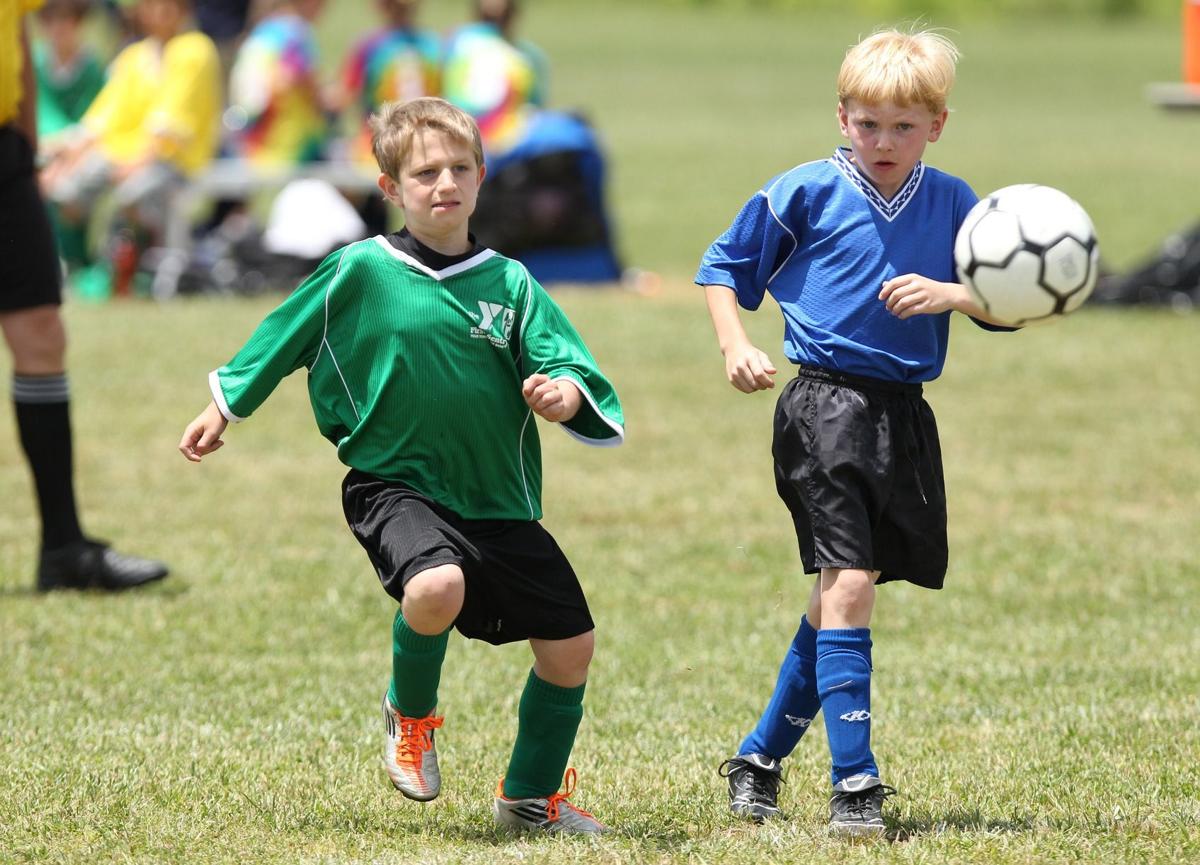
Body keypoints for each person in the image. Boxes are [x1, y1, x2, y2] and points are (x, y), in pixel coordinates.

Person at [178, 96, 624, 834]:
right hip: (394, 483)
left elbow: (568, 365)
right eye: (424, 173)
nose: (444, 183)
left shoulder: (510, 283)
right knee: (436, 585)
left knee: (571, 644)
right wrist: (225, 405)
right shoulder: (360, 269)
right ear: (390, 189)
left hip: (496, 498)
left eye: (459, 169)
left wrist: (563, 394)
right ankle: (410, 715)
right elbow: (282, 334)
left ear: (482, 177)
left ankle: (529, 798)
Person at [696, 28, 1014, 837]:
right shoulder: (803, 191)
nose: (883, 141)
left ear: (936, 125)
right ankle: (855, 785)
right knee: (851, 586)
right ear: (843, 117)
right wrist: (736, 344)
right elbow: (723, 268)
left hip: (903, 412)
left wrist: (954, 293)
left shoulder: (953, 200)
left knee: (839, 594)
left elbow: (1006, 300)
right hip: (823, 407)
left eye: (903, 126)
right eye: (868, 123)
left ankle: (760, 759)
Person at [2, 0, 167, 590]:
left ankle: (63, 549)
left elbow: (14, 26)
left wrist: (22, 143)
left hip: (6, 156)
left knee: (42, 334)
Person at [39, 0, 222, 291]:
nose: (157, 11)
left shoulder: (195, 50)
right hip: (123, 156)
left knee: (132, 194)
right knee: (66, 189)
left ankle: (138, 274)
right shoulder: (135, 56)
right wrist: (67, 157)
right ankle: (83, 267)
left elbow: (173, 121)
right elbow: (103, 118)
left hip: (176, 161)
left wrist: (138, 161)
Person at [32, 0, 105, 271]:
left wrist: (68, 153)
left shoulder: (90, 67)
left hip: (80, 151)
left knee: (68, 192)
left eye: (66, 20)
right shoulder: (36, 63)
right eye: (51, 20)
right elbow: (37, 115)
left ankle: (75, 262)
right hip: (42, 149)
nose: (59, 28)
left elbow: (95, 119)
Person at [225, 0, 328, 165]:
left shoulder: (260, 32)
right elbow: (309, 86)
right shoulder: (298, 33)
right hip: (291, 145)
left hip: (251, 143)